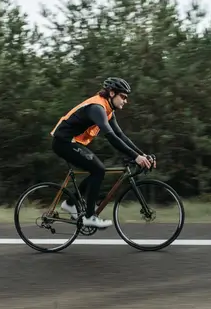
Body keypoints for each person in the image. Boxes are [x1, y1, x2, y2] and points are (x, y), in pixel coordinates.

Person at [50, 77, 154, 228]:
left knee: (96, 170)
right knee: (98, 170)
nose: (125, 101)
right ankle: (89, 217)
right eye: (123, 97)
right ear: (112, 93)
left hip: (71, 142)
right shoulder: (97, 107)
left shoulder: (108, 110)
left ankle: (70, 203)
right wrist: (135, 157)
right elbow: (111, 136)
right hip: (63, 142)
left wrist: (141, 155)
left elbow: (120, 135)